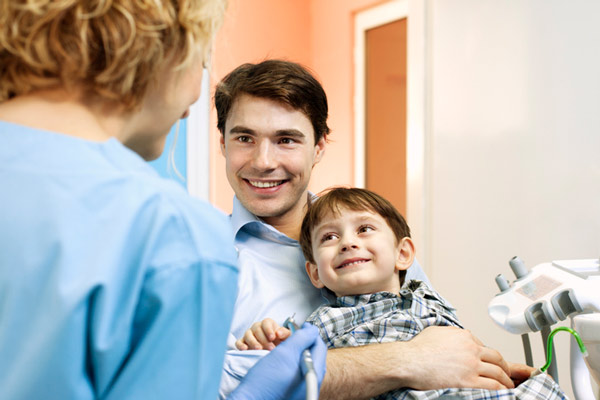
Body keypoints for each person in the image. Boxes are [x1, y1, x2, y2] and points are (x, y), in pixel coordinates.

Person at [0, 2, 324, 399]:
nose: (190, 105)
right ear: (166, 49)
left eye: (286, 139)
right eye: (200, 64)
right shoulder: (174, 234)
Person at [216, 59, 533, 399]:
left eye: (286, 140)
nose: (263, 161)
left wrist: (498, 373)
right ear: (222, 143)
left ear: (319, 146)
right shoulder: (205, 258)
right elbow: (209, 384)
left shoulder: (376, 239)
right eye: (245, 138)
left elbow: (447, 349)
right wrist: (406, 359)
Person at [237, 187, 567, 400]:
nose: (348, 242)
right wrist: (267, 337)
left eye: (364, 229)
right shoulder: (323, 322)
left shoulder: (426, 296)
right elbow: (293, 366)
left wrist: (505, 371)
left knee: (543, 387)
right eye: (329, 238)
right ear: (315, 274)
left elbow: (466, 351)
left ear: (403, 254)